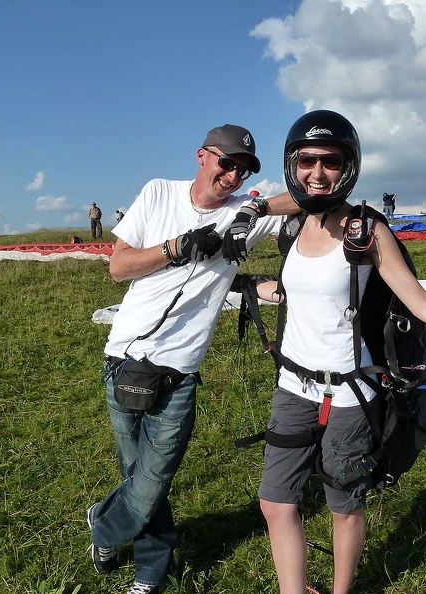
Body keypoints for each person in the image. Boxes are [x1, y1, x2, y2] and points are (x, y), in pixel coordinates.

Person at [224, 110, 426, 594]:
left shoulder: (367, 231)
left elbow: (419, 301)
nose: (317, 172)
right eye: (306, 160)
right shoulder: (291, 226)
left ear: (348, 166)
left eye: (329, 161)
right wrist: (246, 241)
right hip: (293, 384)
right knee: (275, 501)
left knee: (343, 503)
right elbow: (297, 286)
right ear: (293, 164)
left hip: (351, 391)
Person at [87, 123, 296, 594]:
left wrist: (257, 208)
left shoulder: (243, 213)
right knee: (136, 471)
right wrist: (177, 247)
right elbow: (118, 268)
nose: (233, 175)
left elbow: (305, 197)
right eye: (227, 163)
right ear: (202, 156)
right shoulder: (159, 193)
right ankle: (150, 573)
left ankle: (104, 524)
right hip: (124, 355)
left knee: (154, 476)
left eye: (243, 169)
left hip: (180, 370)